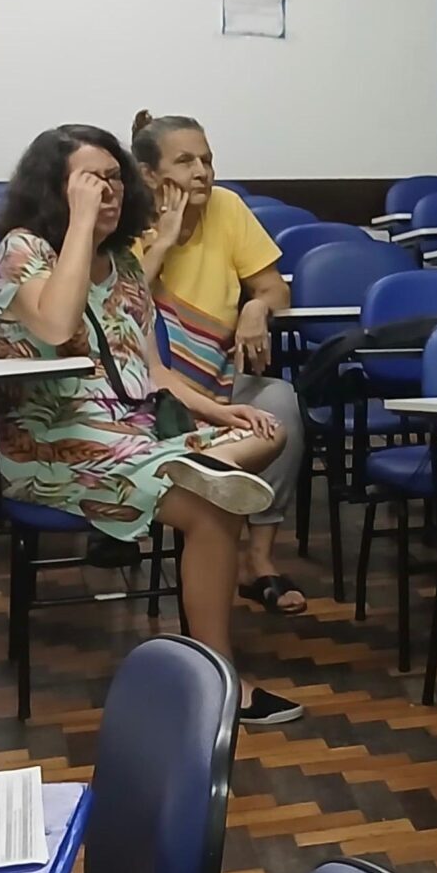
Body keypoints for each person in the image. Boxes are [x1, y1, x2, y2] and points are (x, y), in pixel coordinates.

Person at [0, 124, 303, 726]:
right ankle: (220, 678)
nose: (109, 191)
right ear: (56, 188)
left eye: (115, 178)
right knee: (212, 509)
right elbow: (53, 325)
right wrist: (78, 225)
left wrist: (220, 410)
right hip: (55, 449)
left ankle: (194, 470)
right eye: (91, 180)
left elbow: (153, 373)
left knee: (266, 430)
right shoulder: (21, 252)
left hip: (134, 434)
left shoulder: (124, 264)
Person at [129, 111, 308, 616]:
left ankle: (258, 559)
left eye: (207, 159)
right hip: (152, 392)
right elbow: (119, 307)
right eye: (185, 161)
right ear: (149, 174)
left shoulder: (227, 207)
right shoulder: (122, 220)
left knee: (280, 400)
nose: (202, 172)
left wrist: (256, 306)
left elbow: (276, 287)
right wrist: (161, 242)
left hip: (223, 382)